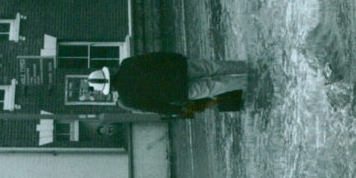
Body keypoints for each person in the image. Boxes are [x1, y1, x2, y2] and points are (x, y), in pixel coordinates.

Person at [86, 53, 248, 118]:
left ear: (108, 89)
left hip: (179, 92)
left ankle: (247, 81)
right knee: (215, 67)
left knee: (217, 86)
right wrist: (179, 57)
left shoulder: (127, 100)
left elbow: (156, 107)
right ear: (109, 72)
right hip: (180, 68)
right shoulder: (127, 64)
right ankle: (249, 67)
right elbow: (157, 57)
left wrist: (178, 110)